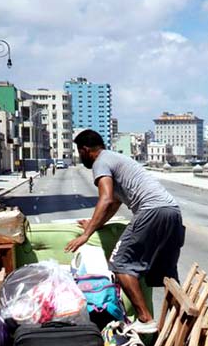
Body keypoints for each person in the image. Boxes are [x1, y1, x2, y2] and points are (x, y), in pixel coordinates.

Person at [65, 129, 185, 334]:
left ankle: (145, 319)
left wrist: (86, 235)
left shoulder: (100, 162)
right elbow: (114, 205)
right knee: (165, 274)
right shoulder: (116, 158)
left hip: (151, 211)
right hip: (172, 212)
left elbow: (106, 198)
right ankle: (183, 319)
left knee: (120, 264)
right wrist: (96, 224)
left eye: (79, 152)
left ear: (85, 150)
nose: (80, 156)